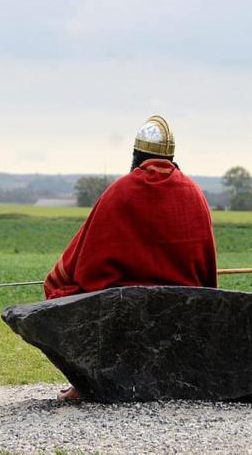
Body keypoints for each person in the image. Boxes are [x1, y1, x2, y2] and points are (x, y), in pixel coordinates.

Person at [45, 115, 218, 400]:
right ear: (172, 157)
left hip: (118, 306)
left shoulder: (120, 190)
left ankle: (84, 383)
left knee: (61, 291)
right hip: (184, 303)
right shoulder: (193, 192)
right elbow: (207, 270)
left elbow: (79, 263)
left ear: (136, 155)